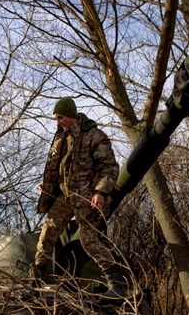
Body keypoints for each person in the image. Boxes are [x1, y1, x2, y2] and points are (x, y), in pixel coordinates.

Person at [32, 97, 127, 299]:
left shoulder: (94, 137)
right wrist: (49, 187)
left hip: (87, 197)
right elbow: (58, 168)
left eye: (61, 117)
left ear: (73, 116)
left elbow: (109, 168)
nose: (58, 122)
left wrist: (100, 192)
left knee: (88, 239)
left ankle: (117, 283)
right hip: (65, 197)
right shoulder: (60, 138)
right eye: (56, 118)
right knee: (48, 231)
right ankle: (37, 278)